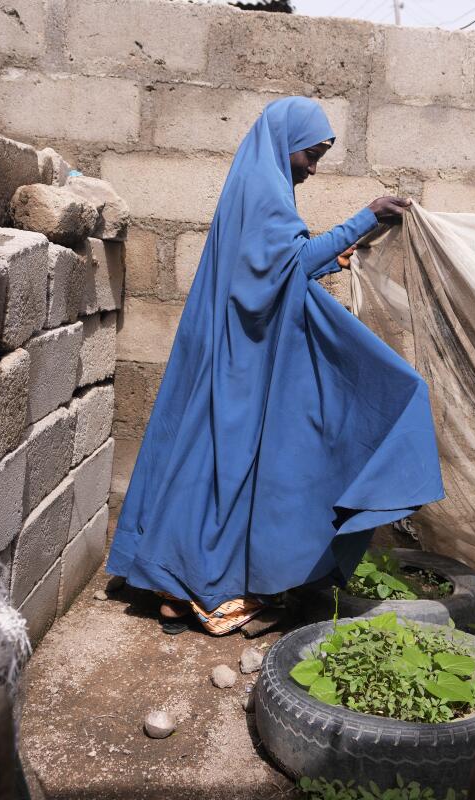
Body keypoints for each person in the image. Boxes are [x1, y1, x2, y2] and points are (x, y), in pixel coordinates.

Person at [106, 96, 445, 635]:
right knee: (226, 466)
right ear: (285, 145)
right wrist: (367, 215)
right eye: (311, 154)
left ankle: (169, 584)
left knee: (202, 459)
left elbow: (267, 273)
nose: (313, 167)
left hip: (231, 343)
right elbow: (287, 264)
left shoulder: (255, 187)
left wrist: (321, 258)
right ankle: (193, 587)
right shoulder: (268, 195)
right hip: (244, 356)